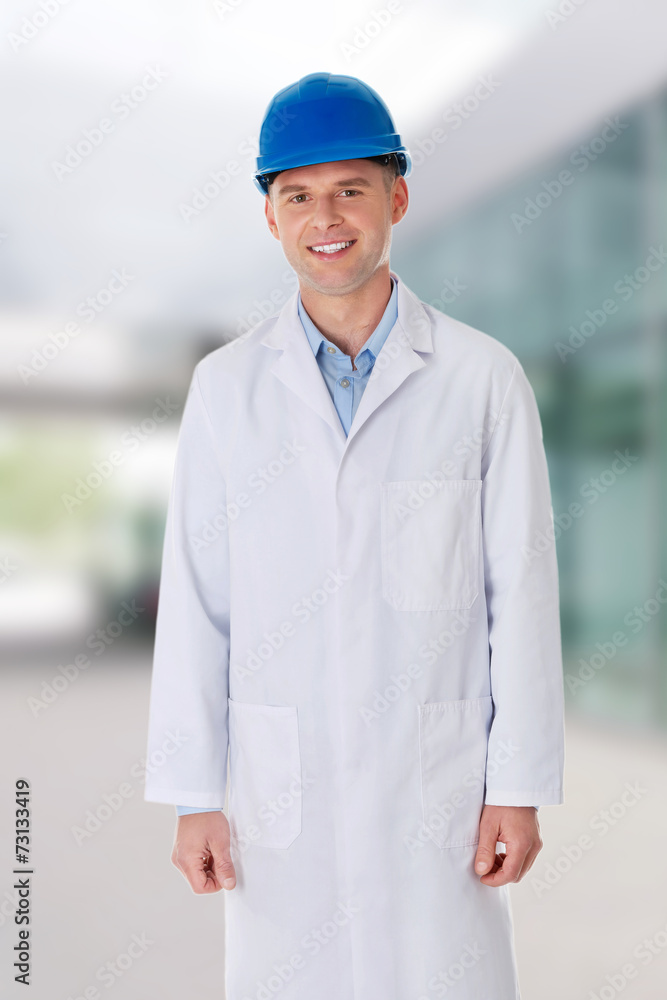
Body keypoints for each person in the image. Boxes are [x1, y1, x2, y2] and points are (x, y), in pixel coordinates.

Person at [144, 71, 565, 999]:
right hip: (279, 795)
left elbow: (522, 592)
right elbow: (198, 601)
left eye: (349, 189)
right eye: (297, 195)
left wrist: (518, 783)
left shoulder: (480, 379)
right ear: (270, 216)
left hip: (437, 790)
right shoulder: (226, 389)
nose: (324, 218)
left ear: (396, 199)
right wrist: (194, 795)